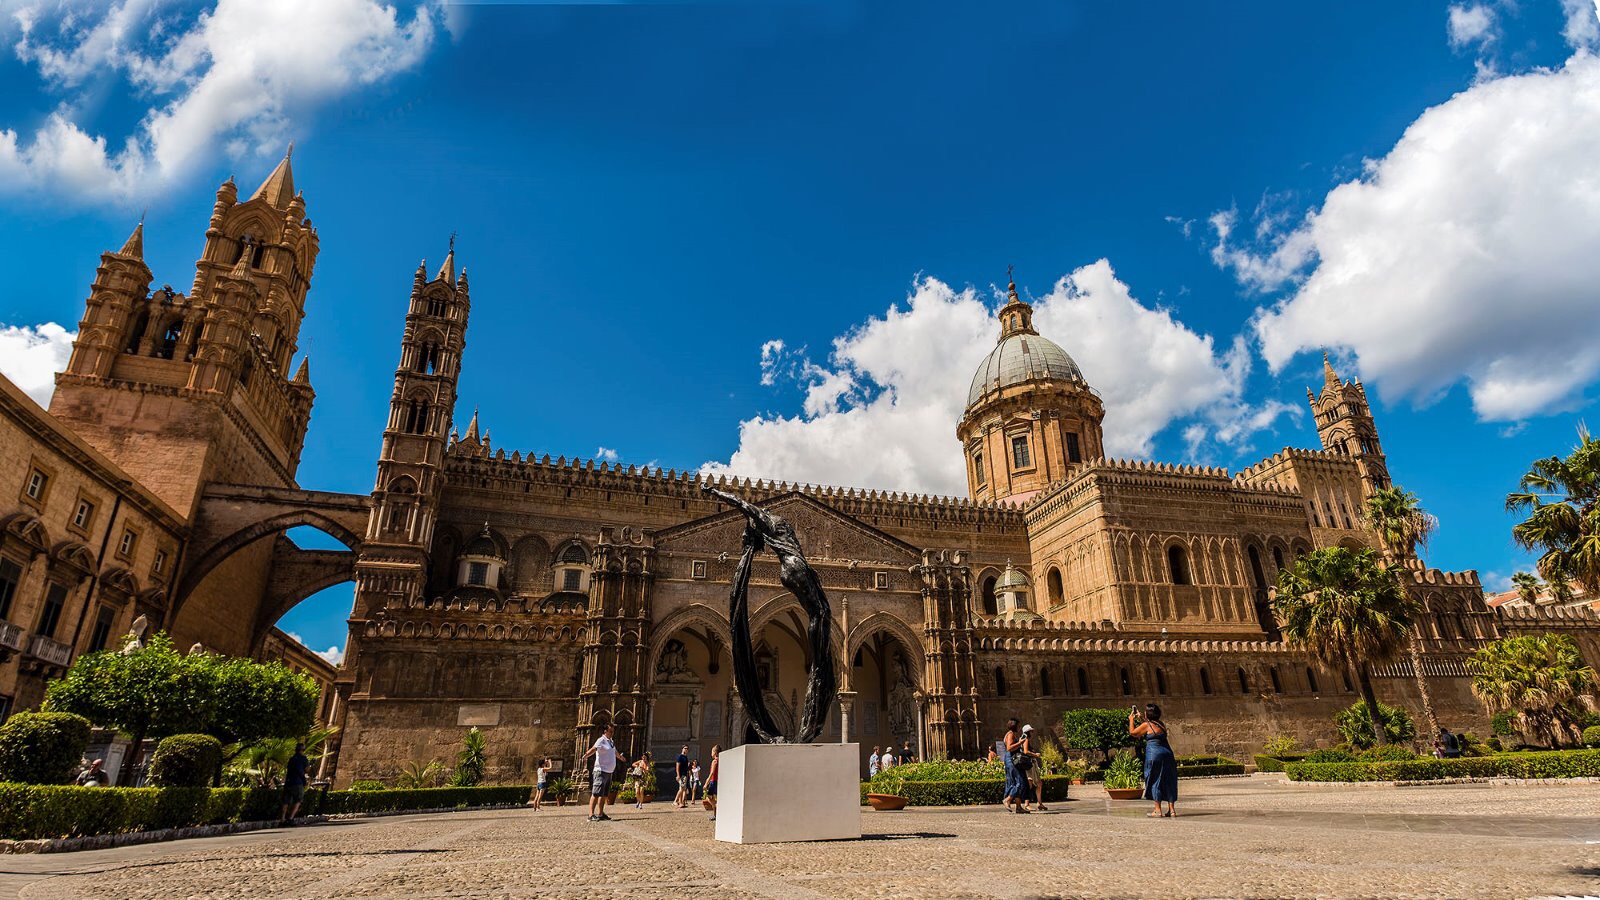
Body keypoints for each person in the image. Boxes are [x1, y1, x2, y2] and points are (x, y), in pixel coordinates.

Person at [1130, 703, 1177, 818]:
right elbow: (1150, 725)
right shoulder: (1161, 724)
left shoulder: (1147, 725)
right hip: (1168, 754)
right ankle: (1172, 810)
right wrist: (1142, 718)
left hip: (1154, 755)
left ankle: (1157, 810)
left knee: (1155, 779)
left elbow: (1133, 733)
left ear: (1148, 714)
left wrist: (1131, 719)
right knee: (1168, 780)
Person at [582, 723, 626, 822]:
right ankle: (590, 814)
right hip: (600, 770)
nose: (612, 733)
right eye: (610, 731)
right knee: (596, 793)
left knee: (604, 794)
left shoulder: (611, 742)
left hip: (609, 771)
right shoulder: (601, 740)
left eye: (613, 731)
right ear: (605, 731)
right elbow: (594, 749)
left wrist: (620, 758)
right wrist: (586, 755)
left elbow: (614, 752)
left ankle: (601, 814)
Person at [1002, 717, 1030, 814]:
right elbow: (1009, 748)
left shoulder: (1011, 734)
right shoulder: (1010, 734)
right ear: (1014, 725)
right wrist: (1020, 742)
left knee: (1016, 782)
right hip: (1011, 760)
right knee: (1020, 781)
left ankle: (1018, 807)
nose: (1019, 727)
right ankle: (1008, 799)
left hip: (1011, 760)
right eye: (1018, 725)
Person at [280, 742, 310, 825]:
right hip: (298, 782)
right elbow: (307, 770)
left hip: (288, 782)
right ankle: (291, 818)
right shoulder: (304, 759)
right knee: (298, 800)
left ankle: (282, 819)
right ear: (303, 750)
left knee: (285, 801)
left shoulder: (291, 759)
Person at [1020, 725, 1047, 811]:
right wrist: (1035, 755)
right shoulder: (1026, 740)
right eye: (1031, 731)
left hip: (1031, 764)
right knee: (1030, 783)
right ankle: (1027, 804)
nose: (1032, 733)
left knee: (1038, 783)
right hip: (1030, 764)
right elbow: (1025, 751)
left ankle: (1039, 803)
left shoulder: (1024, 739)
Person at [704, 744, 720, 821]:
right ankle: (715, 815)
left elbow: (712, 773)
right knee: (714, 797)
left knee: (708, 797)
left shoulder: (715, 761)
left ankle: (717, 806)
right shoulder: (721, 760)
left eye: (712, 751)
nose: (711, 753)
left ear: (715, 753)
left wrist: (706, 783)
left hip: (713, 781)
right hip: (718, 781)